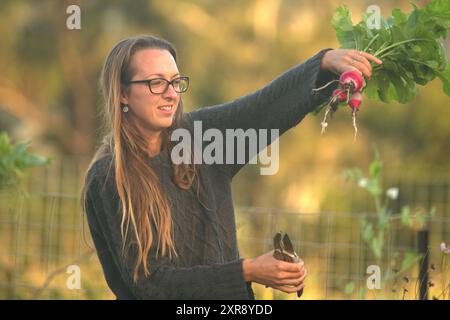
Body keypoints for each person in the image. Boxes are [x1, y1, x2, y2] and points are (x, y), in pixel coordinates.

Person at [81, 35, 382, 300]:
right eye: (156, 82)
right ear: (122, 93)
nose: (171, 93)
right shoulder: (109, 177)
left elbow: (261, 110)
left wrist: (323, 65)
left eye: (175, 82)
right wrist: (248, 271)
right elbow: (151, 285)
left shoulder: (203, 140)